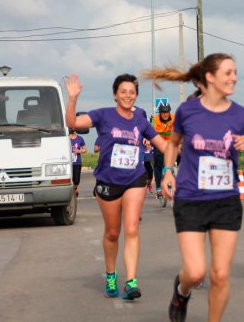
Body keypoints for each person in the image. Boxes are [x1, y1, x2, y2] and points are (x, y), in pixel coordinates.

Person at [142, 53, 244, 322]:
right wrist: (167, 173)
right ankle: (181, 291)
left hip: (226, 201)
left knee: (220, 274)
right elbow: (173, 143)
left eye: (235, 72)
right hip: (191, 198)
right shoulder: (187, 111)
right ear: (209, 77)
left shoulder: (240, 114)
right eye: (228, 72)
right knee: (196, 272)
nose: (234, 77)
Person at [64, 73, 167, 301]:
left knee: (131, 228)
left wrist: (171, 166)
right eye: (123, 91)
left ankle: (131, 282)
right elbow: (72, 123)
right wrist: (72, 99)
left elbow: (163, 145)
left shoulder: (141, 120)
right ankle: (111, 275)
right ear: (115, 94)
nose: (128, 95)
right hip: (108, 182)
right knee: (113, 233)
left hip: (135, 180)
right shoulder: (103, 115)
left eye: (132, 92)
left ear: (135, 96)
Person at [152, 102, 175, 195]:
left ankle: (173, 173)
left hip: (171, 144)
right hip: (158, 144)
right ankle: (158, 187)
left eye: (167, 112)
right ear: (160, 113)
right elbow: (151, 131)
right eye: (163, 112)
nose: (165, 114)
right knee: (158, 164)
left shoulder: (174, 118)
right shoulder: (154, 120)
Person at [69, 129, 87, 197]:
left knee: (76, 180)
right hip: (69, 163)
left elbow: (85, 149)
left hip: (77, 162)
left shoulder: (80, 138)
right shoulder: (67, 138)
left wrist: (79, 151)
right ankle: (72, 192)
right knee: (70, 179)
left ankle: (75, 187)